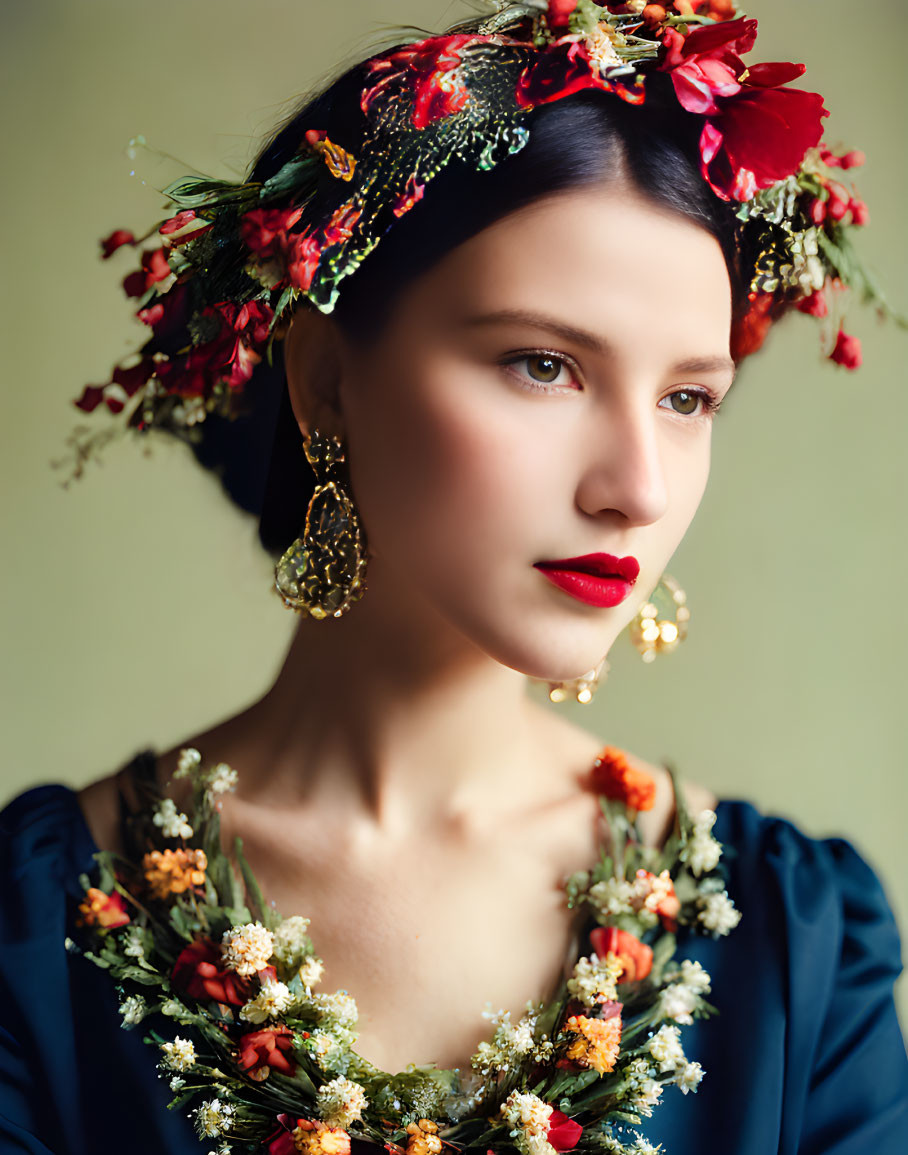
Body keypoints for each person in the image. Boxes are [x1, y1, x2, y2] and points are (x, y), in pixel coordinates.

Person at [1, 2, 905, 1153]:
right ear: (325, 378)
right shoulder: (40, 931)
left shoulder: (793, 938)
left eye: (686, 399)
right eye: (542, 365)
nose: (636, 484)